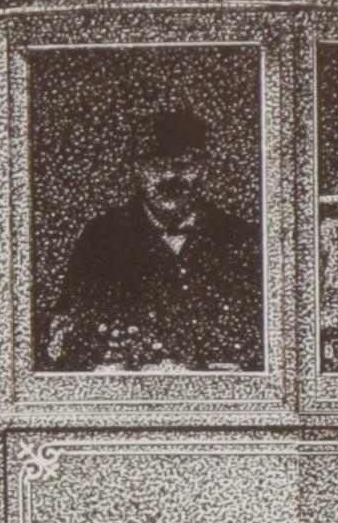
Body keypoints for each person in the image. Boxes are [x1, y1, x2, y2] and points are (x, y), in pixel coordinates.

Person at [46, 108, 261, 372]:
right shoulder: (101, 238)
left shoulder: (242, 239)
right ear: (136, 169)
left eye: (183, 165)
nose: (170, 177)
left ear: (204, 168)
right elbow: (67, 332)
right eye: (157, 166)